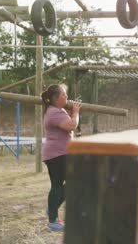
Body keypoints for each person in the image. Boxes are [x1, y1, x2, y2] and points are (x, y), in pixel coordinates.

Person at [41, 84, 81, 231]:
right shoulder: (54, 113)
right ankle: (52, 220)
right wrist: (75, 113)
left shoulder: (57, 110)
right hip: (57, 154)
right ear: (55, 98)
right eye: (63, 95)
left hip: (59, 153)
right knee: (59, 185)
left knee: (63, 184)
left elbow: (69, 125)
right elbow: (71, 125)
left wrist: (72, 112)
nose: (66, 96)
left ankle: (52, 209)